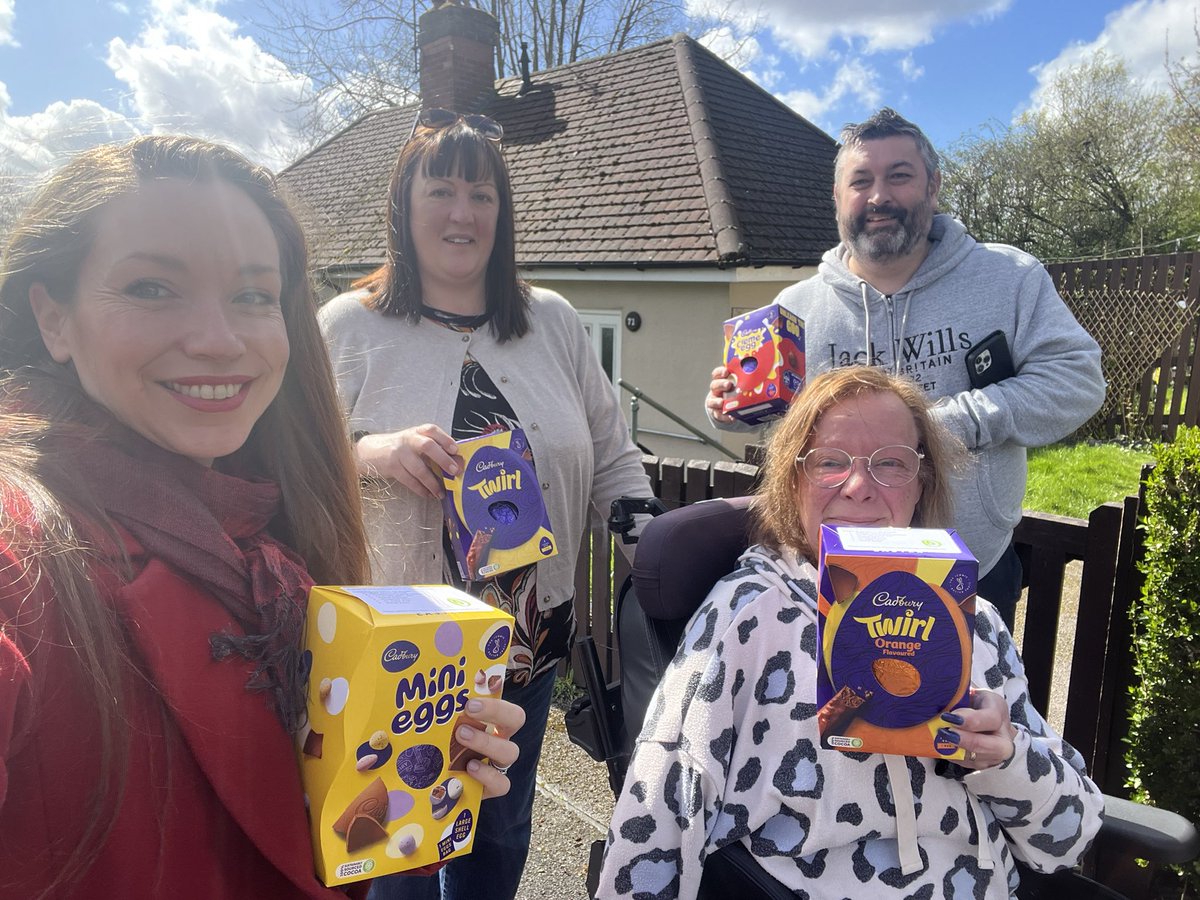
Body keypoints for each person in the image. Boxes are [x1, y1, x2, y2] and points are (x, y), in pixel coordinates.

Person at [0, 135, 523, 899]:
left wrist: (415, 785)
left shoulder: (273, 536)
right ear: (53, 318)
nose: (219, 341)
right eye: (151, 287)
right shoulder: (25, 558)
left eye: (253, 295)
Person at [318, 108, 654, 900]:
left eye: (481, 195)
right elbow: (290, 462)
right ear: (403, 207)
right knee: (400, 844)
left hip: (529, 634)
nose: (462, 213)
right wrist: (372, 452)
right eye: (441, 190)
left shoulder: (554, 322)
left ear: (502, 216)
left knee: (498, 827)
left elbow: (611, 452)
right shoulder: (349, 327)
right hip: (405, 650)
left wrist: (662, 557)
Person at [605, 366, 1104, 899]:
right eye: (829, 463)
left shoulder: (972, 619)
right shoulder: (750, 615)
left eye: (891, 463)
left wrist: (1003, 757)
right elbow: (660, 801)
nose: (860, 487)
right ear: (792, 480)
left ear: (923, 481)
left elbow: (1068, 837)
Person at [706, 108, 1105, 629]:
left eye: (899, 176)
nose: (879, 197)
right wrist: (734, 408)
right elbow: (787, 421)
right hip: (833, 569)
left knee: (962, 709)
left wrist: (950, 425)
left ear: (933, 186)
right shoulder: (796, 308)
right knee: (836, 711)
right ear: (837, 198)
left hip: (970, 565)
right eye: (861, 181)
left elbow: (1078, 380)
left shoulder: (1007, 278)